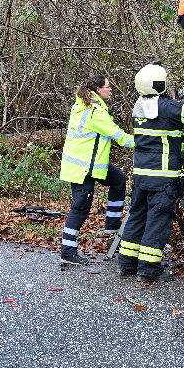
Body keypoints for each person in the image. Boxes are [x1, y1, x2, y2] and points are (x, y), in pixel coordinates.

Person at [117, 64, 184, 283]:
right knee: (157, 222)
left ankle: (127, 264)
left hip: (141, 176)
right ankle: (149, 270)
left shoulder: (139, 107)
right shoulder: (167, 107)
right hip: (162, 178)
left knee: (137, 218)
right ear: (159, 85)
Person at [59, 75, 134, 265]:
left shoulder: (85, 106)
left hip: (89, 165)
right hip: (82, 168)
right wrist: (147, 142)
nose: (110, 90)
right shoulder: (94, 111)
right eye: (108, 87)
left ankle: (112, 224)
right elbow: (120, 136)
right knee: (80, 208)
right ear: (98, 90)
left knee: (118, 179)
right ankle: (68, 252)